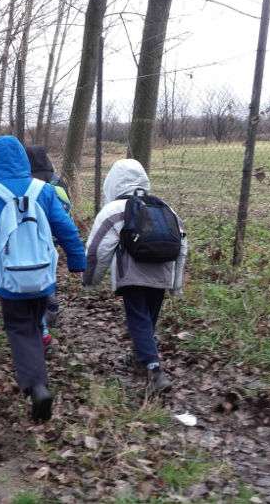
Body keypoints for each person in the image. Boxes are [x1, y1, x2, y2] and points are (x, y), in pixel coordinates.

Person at [0, 136, 86, 422]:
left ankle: (36, 386)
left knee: (20, 329)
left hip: (9, 279)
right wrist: (77, 260)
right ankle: (38, 376)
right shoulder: (44, 191)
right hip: (41, 276)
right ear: (23, 162)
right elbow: (67, 228)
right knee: (36, 325)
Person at [82, 159, 188, 394]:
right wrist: (176, 285)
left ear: (112, 183)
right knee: (148, 319)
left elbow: (97, 250)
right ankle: (142, 357)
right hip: (162, 272)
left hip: (132, 275)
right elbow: (182, 245)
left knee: (138, 319)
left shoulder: (114, 210)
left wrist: (90, 280)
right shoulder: (164, 208)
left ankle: (154, 369)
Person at [25, 146, 71, 349]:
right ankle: (49, 304)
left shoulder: (29, 182)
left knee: (36, 271)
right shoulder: (57, 180)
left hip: (35, 236)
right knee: (49, 269)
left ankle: (48, 305)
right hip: (54, 237)